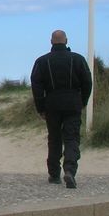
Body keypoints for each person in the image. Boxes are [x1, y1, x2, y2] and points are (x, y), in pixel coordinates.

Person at [30, 29, 93, 189]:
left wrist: (40, 107)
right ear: (66, 41)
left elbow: (36, 86)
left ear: (51, 42)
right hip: (73, 103)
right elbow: (87, 82)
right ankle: (70, 169)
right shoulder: (77, 59)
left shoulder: (42, 61)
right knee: (71, 138)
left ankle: (54, 173)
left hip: (52, 103)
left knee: (54, 138)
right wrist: (83, 101)